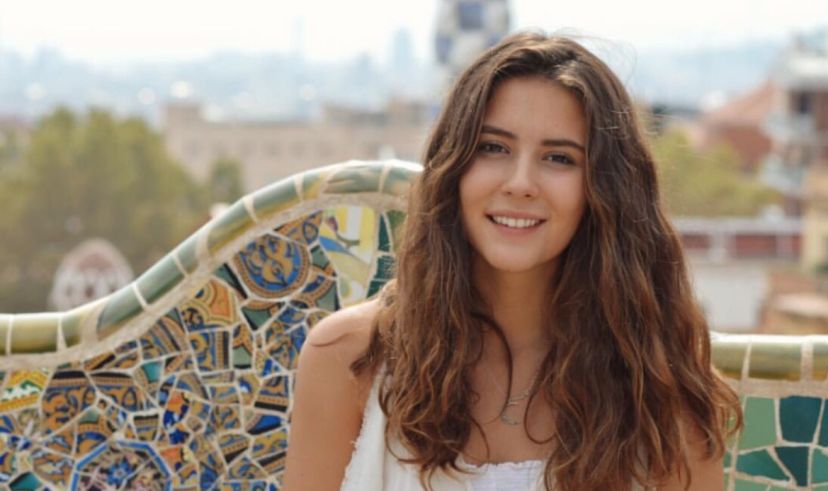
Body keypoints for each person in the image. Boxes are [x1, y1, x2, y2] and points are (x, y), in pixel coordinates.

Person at [284, 32, 741, 491]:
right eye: (493, 148)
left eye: (559, 158)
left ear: (605, 190)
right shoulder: (348, 359)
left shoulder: (659, 383)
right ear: (452, 168)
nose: (520, 183)